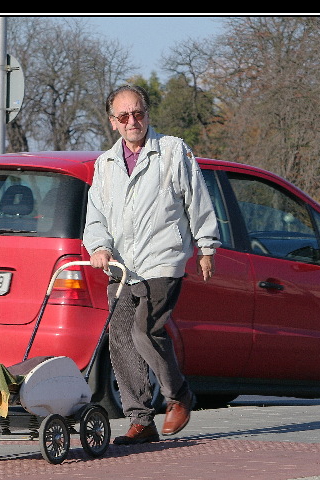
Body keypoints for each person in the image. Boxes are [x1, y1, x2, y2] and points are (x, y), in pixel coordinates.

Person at [83, 84, 220, 445]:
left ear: (148, 114)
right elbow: (95, 216)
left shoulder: (172, 150)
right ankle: (140, 420)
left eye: (139, 113)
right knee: (122, 339)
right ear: (113, 122)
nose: (133, 121)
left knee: (146, 331)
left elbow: (197, 199)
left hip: (162, 258)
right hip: (122, 265)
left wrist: (206, 246)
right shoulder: (105, 164)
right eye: (124, 116)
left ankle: (179, 396)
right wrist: (98, 247)